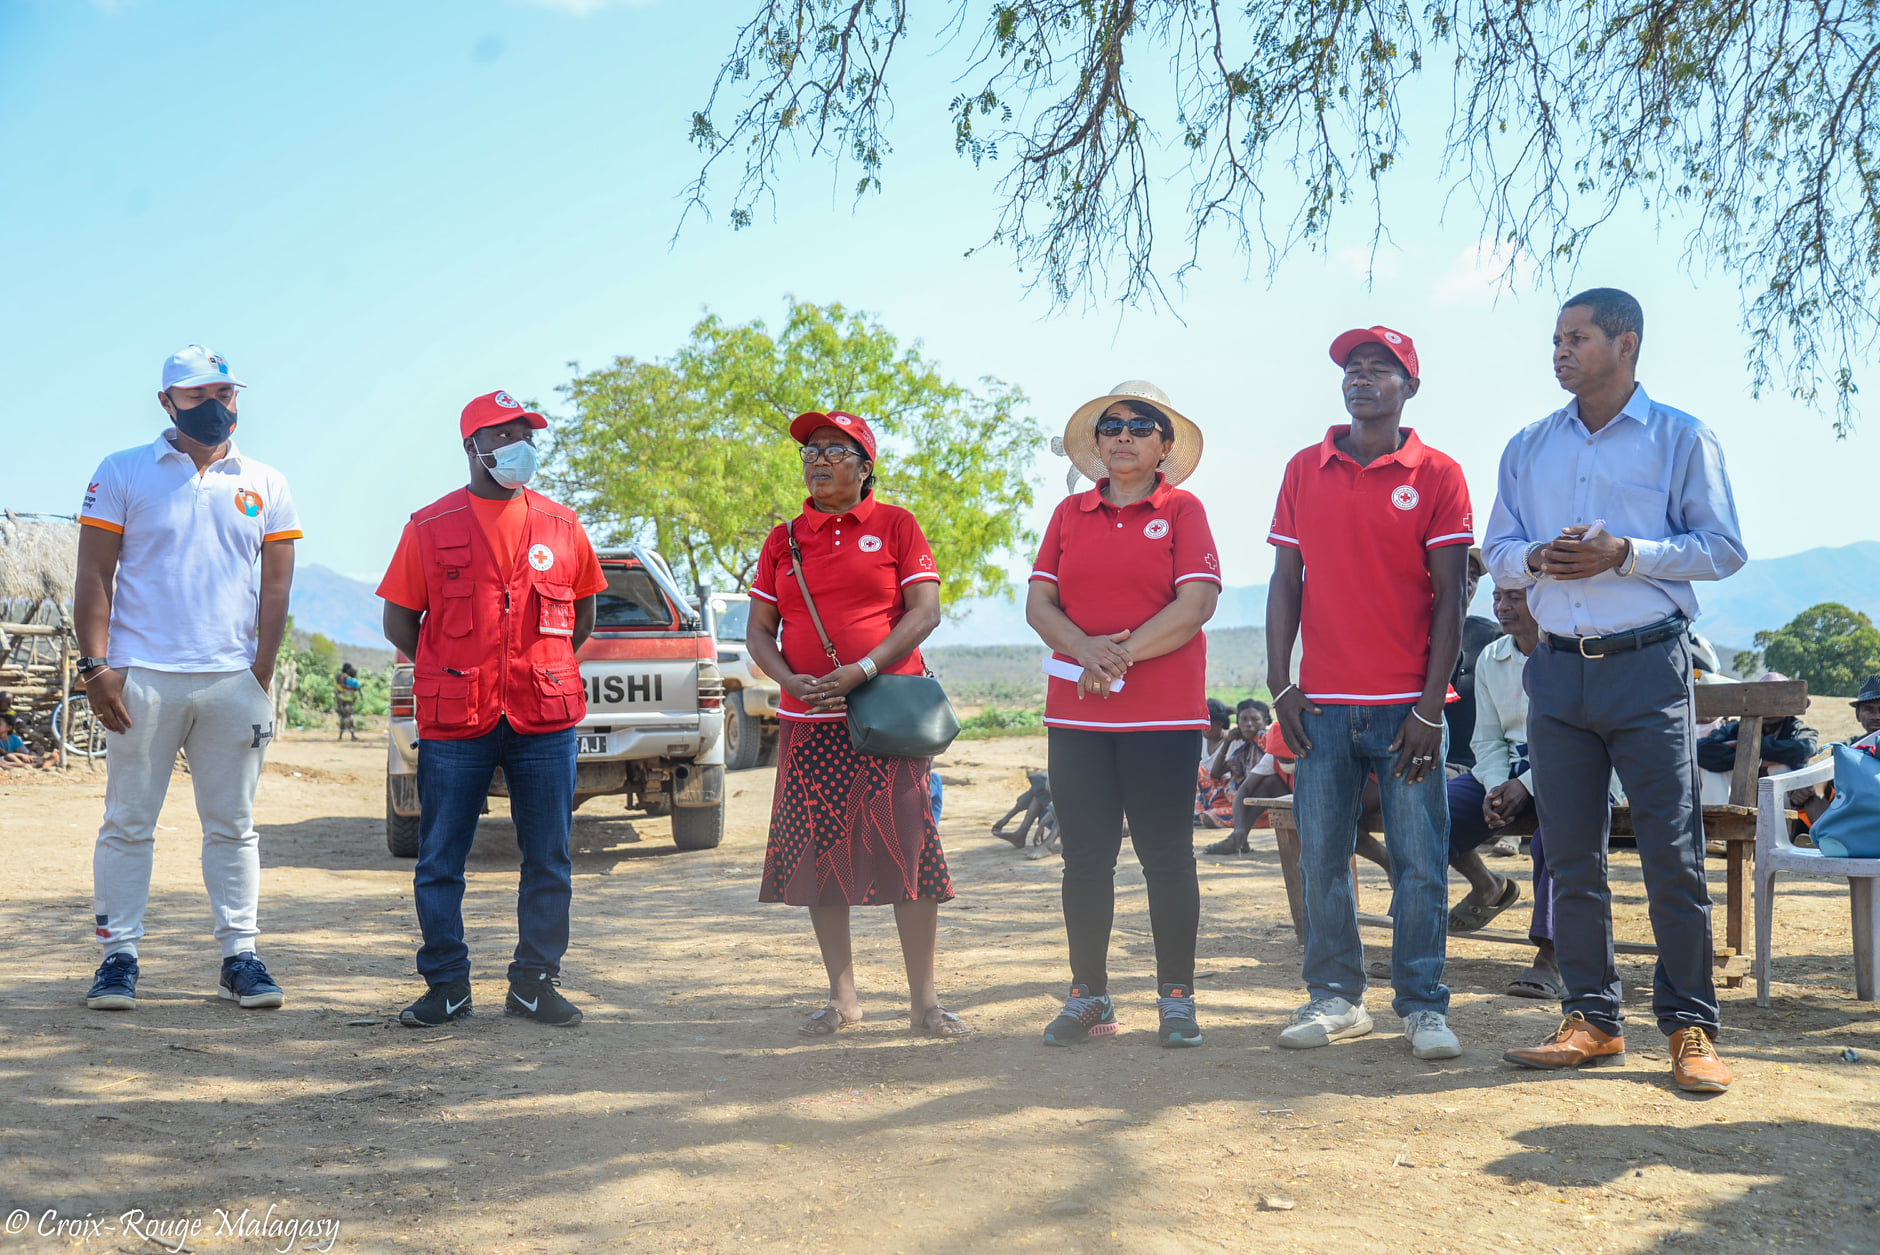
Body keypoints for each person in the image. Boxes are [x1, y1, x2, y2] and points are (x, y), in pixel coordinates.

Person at [1487, 288, 1748, 1094]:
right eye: (1555, 339)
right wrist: (1535, 560)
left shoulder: (1680, 437)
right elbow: (1495, 546)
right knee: (1569, 854)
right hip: (1556, 670)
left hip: (1648, 667)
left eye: (1577, 338)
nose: (1560, 352)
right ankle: (1593, 1018)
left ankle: (1691, 1026)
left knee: (1673, 852)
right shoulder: (1529, 447)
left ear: (1625, 343)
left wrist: (1626, 553)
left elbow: (1723, 547)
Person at [1266, 326, 1471, 1061]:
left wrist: (1427, 704)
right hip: (1320, 707)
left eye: (1380, 368)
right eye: (1353, 368)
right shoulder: (1302, 468)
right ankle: (1336, 998)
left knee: (1420, 861)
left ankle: (1421, 1005)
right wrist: (1280, 682)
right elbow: (1287, 581)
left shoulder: (1439, 474)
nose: (1362, 377)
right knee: (1322, 857)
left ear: (1409, 385)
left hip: (1405, 712)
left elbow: (1452, 598)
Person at [75, 345, 299, 1013]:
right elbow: (93, 576)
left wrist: (257, 674)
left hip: (231, 682)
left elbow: (277, 587)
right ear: (167, 402)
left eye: (226, 394)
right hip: (140, 678)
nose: (217, 407)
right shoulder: (123, 471)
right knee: (128, 821)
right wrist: (97, 668)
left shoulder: (267, 481)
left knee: (233, 824)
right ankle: (118, 957)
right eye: (199, 396)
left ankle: (240, 957)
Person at [378, 391, 608, 1028]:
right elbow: (401, 620)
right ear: (472, 447)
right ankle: (447, 986)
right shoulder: (428, 527)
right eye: (505, 435)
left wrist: (533, 663)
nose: (520, 447)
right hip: (459, 717)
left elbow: (581, 615)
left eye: (526, 433)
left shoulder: (563, 526)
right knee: (440, 858)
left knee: (549, 859)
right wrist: (463, 664)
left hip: (543, 716)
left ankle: (534, 984)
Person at [745, 409, 966, 1039]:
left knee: (911, 854)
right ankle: (843, 1000)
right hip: (807, 721)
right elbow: (759, 632)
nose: (819, 460)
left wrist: (861, 671)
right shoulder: (782, 540)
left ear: (865, 468)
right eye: (811, 450)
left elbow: (924, 615)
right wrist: (790, 680)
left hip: (888, 718)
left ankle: (925, 1004)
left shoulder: (896, 525)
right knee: (820, 858)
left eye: (836, 450)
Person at [1028, 380, 1221, 1048]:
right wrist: (1082, 648)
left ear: (1165, 444)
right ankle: (1090, 994)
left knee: (1166, 857)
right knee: (1084, 860)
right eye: (1111, 426)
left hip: (1162, 718)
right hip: (1077, 719)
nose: (1124, 436)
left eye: (1141, 426)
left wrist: (1117, 656)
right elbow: (1040, 606)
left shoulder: (1186, 510)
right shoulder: (1067, 514)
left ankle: (1176, 996)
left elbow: (1195, 604)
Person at [1444, 581, 1578, 999]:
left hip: (1580, 768)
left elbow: (1585, 737)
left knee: (1556, 836)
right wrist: (1497, 784)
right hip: (1508, 768)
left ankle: (1552, 959)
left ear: (1544, 601)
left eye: (1515, 598)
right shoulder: (1493, 657)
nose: (1502, 607)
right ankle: (1415, 945)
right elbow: (1486, 739)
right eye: (1497, 597)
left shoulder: (1576, 653)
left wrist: (1526, 784)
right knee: (1431, 816)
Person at [1443, 548, 1503, 771]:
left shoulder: (1492, 639)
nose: (1468, 581)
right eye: (1458, 571)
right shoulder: (1405, 635)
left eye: (1474, 576)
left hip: (1472, 768)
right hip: (1414, 761)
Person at [1199, 699, 1265, 841]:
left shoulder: (1265, 742)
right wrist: (1227, 742)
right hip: (1234, 797)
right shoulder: (1242, 750)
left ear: (1265, 721)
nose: (1248, 725)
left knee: (1210, 817)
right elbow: (1215, 773)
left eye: (1255, 720)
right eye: (1243, 720)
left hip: (1254, 802)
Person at [334, 661, 362, 741]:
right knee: (349, 717)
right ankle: (352, 736)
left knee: (343, 717)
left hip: (340, 699)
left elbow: (339, 687)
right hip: (345, 699)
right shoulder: (345, 677)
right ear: (347, 669)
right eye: (350, 669)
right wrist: (354, 689)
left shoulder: (339, 676)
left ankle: (341, 736)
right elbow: (343, 686)